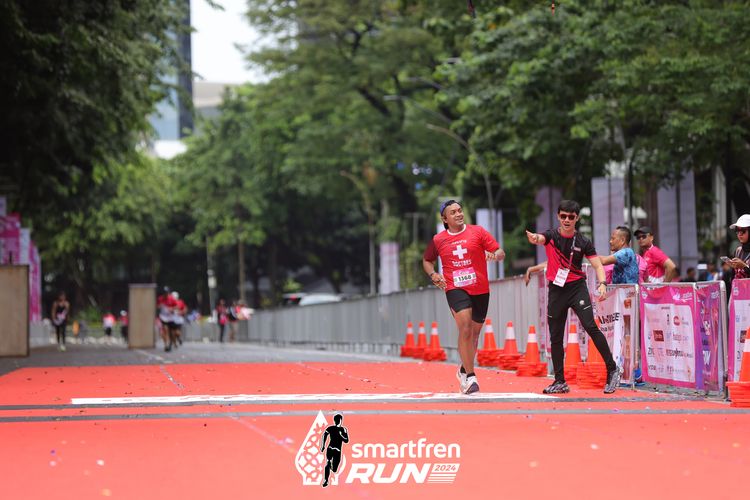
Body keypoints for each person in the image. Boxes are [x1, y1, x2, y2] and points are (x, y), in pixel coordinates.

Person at [525, 199, 622, 394]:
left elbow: (597, 265)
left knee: (590, 326)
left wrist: (603, 284)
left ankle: (612, 369)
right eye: (563, 216)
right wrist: (535, 238)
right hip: (556, 289)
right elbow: (541, 238)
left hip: (577, 288)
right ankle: (559, 381)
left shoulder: (584, 242)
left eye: (571, 217)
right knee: (555, 336)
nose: (567, 220)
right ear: (558, 216)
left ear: (577, 218)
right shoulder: (551, 236)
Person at [422, 199, 505, 394]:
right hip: (455, 288)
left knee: (474, 335)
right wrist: (433, 274)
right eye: (453, 212)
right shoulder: (438, 240)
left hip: (480, 288)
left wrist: (497, 255)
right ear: (445, 219)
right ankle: (470, 376)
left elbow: (498, 250)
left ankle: (463, 369)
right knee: (465, 327)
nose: (459, 214)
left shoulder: (478, 231)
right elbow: (427, 260)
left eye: (460, 210)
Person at [320, 413, 349, 488]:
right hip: (332, 449)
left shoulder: (343, 429)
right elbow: (325, 435)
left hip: (335, 450)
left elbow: (346, 440)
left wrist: (341, 435)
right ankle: (326, 480)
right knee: (328, 462)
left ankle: (330, 467)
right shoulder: (331, 428)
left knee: (334, 469)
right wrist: (323, 445)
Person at [728, 214, 750, 280]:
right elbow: (733, 277)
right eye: (737, 231)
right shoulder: (738, 250)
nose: (739, 234)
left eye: (743, 231)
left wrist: (744, 267)